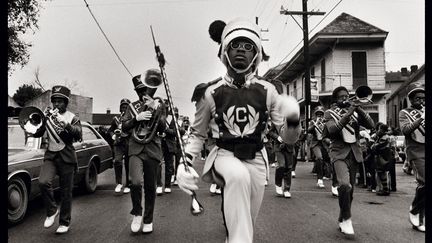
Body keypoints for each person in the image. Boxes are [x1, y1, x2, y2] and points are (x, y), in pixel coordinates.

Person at [175, 18, 301, 243]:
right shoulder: (210, 93)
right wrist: (184, 163)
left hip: (257, 159)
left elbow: (287, 137)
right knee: (237, 177)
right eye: (235, 45)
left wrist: (293, 120)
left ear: (256, 54)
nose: (241, 50)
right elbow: (197, 134)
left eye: (248, 45)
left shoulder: (269, 91)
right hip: (225, 155)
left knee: (245, 221)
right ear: (224, 51)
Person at [324, 86, 374, 235]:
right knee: (344, 185)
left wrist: (359, 110)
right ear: (335, 99)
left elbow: (371, 125)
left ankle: (342, 217)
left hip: (354, 153)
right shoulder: (329, 113)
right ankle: (347, 218)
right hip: (338, 153)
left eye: (346, 96)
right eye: (341, 97)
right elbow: (333, 130)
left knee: (350, 191)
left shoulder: (355, 112)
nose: (345, 99)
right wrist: (350, 111)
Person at [122, 69, 167, 234]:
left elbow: (163, 128)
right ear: (137, 92)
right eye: (141, 91)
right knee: (134, 181)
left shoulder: (159, 104)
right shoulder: (132, 107)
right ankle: (137, 213)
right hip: (135, 148)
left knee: (150, 186)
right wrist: (136, 119)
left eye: (146, 90)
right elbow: (124, 127)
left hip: (153, 148)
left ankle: (148, 219)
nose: (144, 93)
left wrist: (156, 110)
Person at [39, 85, 82, 234]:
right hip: (51, 155)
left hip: (67, 156)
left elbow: (78, 135)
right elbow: (37, 133)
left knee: (66, 192)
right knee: (43, 182)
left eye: (60, 101)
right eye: (54, 101)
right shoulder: (47, 116)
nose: (56, 104)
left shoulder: (72, 117)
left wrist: (66, 124)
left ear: (66, 102)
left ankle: (64, 222)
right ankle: (52, 211)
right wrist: (42, 120)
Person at [399, 82, 425, 232]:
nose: (421, 101)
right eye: (418, 99)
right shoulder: (404, 112)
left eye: (423, 99)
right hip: (415, 151)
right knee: (425, 182)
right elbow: (406, 130)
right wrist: (421, 118)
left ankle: (417, 212)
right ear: (411, 99)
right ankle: (416, 212)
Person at [108, 98, 131, 194]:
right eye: (122, 107)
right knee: (117, 161)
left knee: (128, 164)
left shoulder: (132, 119)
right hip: (118, 143)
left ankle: (128, 184)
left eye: (126, 107)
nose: (124, 109)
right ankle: (119, 183)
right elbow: (110, 130)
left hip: (129, 142)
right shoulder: (116, 119)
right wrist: (113, 135)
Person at [156, 106, 181, 195]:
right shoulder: (157, 117)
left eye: (165, 108)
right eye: (162, 108)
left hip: (169, 144)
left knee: (169, 166)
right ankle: (159, 185)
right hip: (158, 143)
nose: (164, 110)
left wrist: (166, 130)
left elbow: (175, 132)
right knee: (158, 164)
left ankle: (167, 186)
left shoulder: (173, 118)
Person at [268, 123, 294, 198]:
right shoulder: (276, 119)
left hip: (289, 146)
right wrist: (277, 137)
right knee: (281, 165)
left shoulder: (292, 119)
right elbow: (270, 132)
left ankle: (286, 189)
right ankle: (278, 185)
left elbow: (297, 131)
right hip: (279, 146)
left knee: (288, 168)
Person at [370, 124, 392, 196]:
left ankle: (385, 189)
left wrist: (374, 145)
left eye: (379, 129)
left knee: (382, 173)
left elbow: (376, 147)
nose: (378, 130)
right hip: (382, 157)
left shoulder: (385, 138)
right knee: (381, 173)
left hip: (383, 157)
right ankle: (383, 189)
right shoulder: (380, 136)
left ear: (382, 130)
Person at [308, 106, 327, 188]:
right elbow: (308, 130)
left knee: (329, 160)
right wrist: (316, 124)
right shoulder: (312, 122)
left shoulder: (326, 122)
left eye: (321, 114)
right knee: (319, 158)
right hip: (316, 144)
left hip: (325, 144)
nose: (320, 116)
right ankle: (320, 179)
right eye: (318, 114)